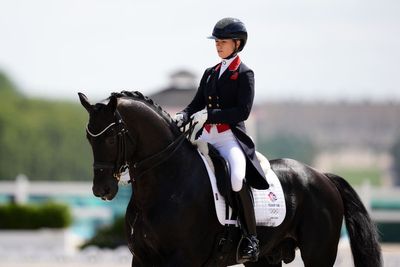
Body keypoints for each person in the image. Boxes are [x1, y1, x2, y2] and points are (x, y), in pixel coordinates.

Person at [174, 17, 269, 263]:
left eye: (223, 41)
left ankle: (251, 238)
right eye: (216, 41)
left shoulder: (244, 73)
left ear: (237, 43)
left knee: (237, 178)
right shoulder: (210, 73)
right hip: (205, 135)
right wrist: (183, 115)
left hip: (229, 138)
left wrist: (212, 114)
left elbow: (242, 111)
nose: (218, 45)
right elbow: (196, 103)